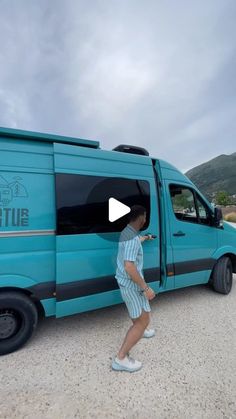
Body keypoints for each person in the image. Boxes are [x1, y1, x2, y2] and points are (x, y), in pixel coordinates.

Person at [112, 205, 156, 372]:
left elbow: (135, 243)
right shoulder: (131, 238)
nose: (145, 220)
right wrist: (146, 288)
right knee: (143, 320)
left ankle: (141, 330)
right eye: (144, 217)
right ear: (140, 218)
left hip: (129, 283)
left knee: (140, 315)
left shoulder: (128, 232)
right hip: (132, 284)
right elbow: (129, 266)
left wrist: (146, 238)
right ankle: (120, 358)